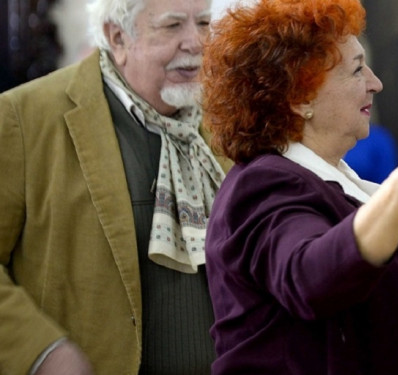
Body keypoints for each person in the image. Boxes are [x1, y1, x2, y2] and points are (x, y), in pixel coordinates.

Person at [200, 0, 398, 374]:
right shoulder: (262, 186)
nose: (376, 82)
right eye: (356, 70)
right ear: (300, 96)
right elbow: (312, 277)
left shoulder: (325, 177)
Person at [0, 0, 230, 373]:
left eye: (203, 23)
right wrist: (39, 351)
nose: (196, 42)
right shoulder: (24, 118)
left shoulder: (227, 124)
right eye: (172, 26)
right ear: (117, 37)